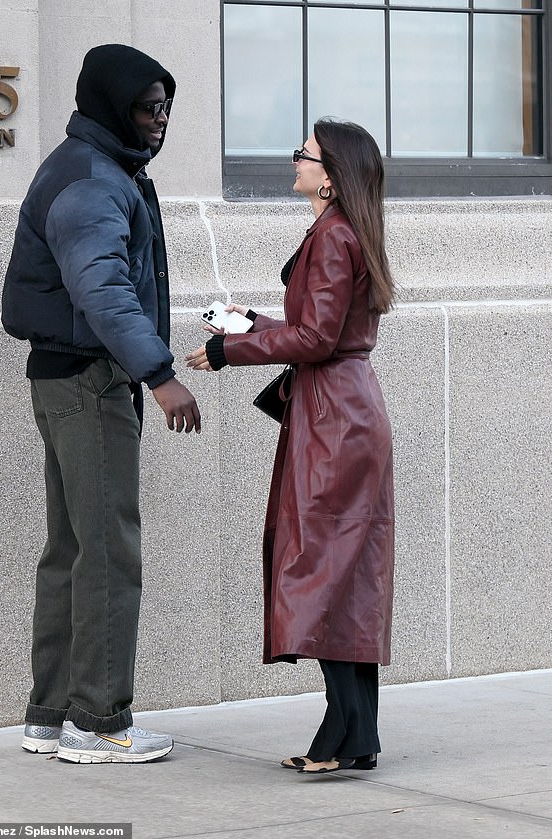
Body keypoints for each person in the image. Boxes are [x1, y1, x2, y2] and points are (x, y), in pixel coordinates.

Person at [2, 44, 201, 764]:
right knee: (109, 551)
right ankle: (100, 719)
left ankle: (51, 715)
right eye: (149, 107)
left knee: (73, 550)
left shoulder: (93, 165)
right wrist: (159, 372)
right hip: (91, 380)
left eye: (166, 106)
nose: (161, 120)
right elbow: (104, 290)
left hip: (64, 376)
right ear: (114, 104)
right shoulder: (92, 180)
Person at [186, 119, 395, 774]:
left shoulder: (333, 238)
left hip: (336, 421)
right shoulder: (340, 233)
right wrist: (253, 324)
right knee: (344, 571)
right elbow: (315, 329)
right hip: (345, 413)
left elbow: (316, 341)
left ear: (330, 174)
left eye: (303, 153)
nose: (295, 160)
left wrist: (228, 349)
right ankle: (355, 734)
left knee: (324, 569)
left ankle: (342, 734)